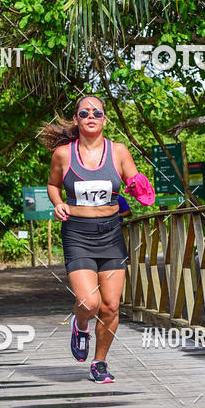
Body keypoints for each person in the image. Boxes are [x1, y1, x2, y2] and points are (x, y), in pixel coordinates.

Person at [39, 95, 141, 383]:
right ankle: (80, 324)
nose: (91, 116)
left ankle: (99, 362)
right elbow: (52, 184)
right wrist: (57, 202)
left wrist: (139, 186)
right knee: (88, 302)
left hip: (111, 232)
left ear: (105, 119)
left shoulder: (119, 151)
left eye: (97, 112)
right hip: (77, 233)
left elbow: (133, 180)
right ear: (77, 119)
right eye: (85, 113)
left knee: (110, 306)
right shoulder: (63, 154)